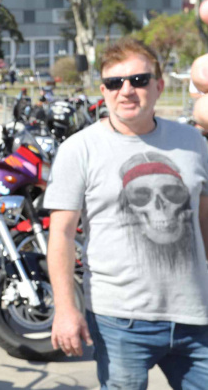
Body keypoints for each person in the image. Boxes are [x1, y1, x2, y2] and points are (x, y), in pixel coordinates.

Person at [47, 37, 208, 389]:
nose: (127, 90)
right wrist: (65, 309)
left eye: (138, 80)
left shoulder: (194, 143)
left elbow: (203, 220)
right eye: (115, 83)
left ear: (159, 86)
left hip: (196, 315)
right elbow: (59, 234)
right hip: (120, 321)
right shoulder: (80, 149)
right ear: (103, 91)